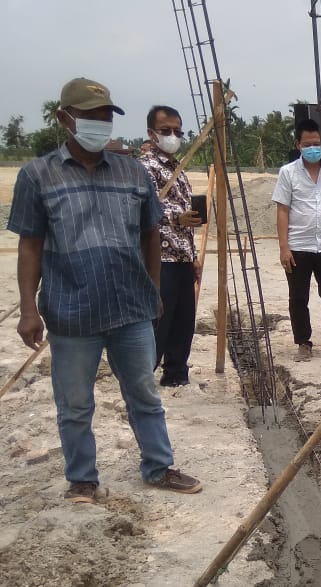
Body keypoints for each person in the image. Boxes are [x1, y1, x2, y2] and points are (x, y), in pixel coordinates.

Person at [8, 77, 201, 502]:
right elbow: (30, 246)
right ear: (65, 118)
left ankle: (158, 466)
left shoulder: (132, 173)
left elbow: (151, 233)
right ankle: (82, 478)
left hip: (130, 308)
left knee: (144, 393)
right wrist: (28, 309)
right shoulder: (38, 175)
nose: (100, 124)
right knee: (75, 402)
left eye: (105, 117)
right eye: (90, 116)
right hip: (71, 311)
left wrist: (153, 288)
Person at [272, 118, 321, 361]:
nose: (312, 148)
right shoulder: (288, 173)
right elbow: (282, 210)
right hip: (298, 245)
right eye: (307, 144)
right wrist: (284, 247)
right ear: (298, 145)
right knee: (298, 297)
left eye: (316, 143)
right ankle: (303, 342)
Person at [139, 105, 202, 387]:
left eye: (177, 131)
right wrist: (177, 217)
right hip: (159, 258)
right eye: (166, 130)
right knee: (159, 319)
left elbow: (184, 214)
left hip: (181, 256)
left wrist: (193, 256)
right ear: (152, 133)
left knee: (183, 319)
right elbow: (144, 209)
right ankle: (143, 376)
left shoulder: (177, 168)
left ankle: (176, 373)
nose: (172, 136)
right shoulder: (145, 168)